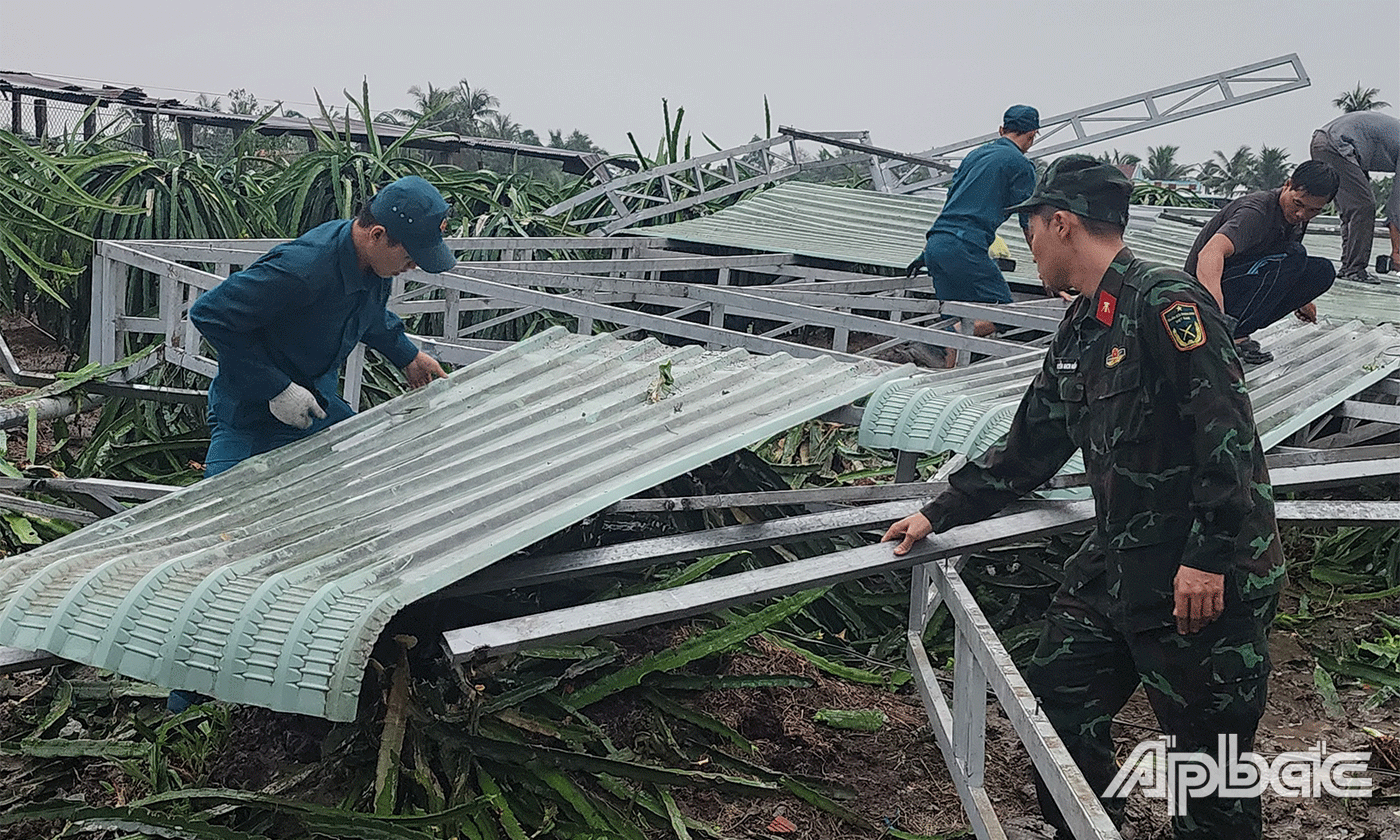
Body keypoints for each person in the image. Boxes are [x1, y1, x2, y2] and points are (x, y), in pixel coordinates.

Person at [884, 156, 1284, 839]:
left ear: (1061, 223)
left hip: (1203, 575)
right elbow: (1030, 446)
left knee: (1209, 772)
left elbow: (1229, 439)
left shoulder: (1169, 305)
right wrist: (936, 511)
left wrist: (1210, 557)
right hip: (1121, 564)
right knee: (1059, 702)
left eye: (1032, 230)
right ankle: (1092, 827)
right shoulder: (1080, 327)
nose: (1029, 248)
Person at [171, 175, 454, 712]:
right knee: (220, 550)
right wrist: (273, 388)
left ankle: (321, 649)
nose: (414, 265)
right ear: (375, 235)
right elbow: (209, 315)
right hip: (253, 415)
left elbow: (370, 315)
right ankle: (188, 706)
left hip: (314, 406)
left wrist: (407, 356)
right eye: (411, 256)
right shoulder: (301, 270)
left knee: (351, 519)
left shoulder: (372, 267)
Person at [907, 105, 1039, 366]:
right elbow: (1029, 220)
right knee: (1002, 312)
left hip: (936, 245)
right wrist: (1043, 265)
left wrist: (926, 254)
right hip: (966, 246)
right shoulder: (1021, 166)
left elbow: (953, 202)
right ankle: (937, 341)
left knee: (959, 314)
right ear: (1033, 135)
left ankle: (940, 368)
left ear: (1001, 130)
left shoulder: (974, 155)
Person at [1183, 160, 1339, 364]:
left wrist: (1301, 300)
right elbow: (1209, 254)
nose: (1302, 214)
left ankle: (1240, 328)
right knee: (1296, 254)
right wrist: (1216, 314)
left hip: (1242, 283)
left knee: (1322, 271)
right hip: (1202, 291)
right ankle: (1234, 336)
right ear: (1287, 185)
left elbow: (1275, 260)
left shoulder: (1298, 218)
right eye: (1298, 204)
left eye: (1313, 211)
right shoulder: (1256, 212)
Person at [1309, 111, 1400, 285]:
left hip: (1324, 141)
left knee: (1352, 209)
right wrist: (1397, 252)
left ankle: (1349, 267)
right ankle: (1354, 269)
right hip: (1337, 146)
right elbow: (1397, 210)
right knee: (1364, 206)